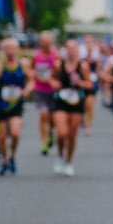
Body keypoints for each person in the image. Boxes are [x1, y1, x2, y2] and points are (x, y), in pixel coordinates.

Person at [0, 36, 30, 175]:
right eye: (7, 48)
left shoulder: (23, 64)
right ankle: (4, 161)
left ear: (17, 49)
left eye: (12, 48)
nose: (10, 51)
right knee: (2, 137)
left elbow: (31, 79)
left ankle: (12, 157)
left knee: (15, 134)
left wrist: (27, 90)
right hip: (2, 103)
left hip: (16, 103)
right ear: (4, 50)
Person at [49, 38, 91, 176]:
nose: (72, 51)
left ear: (77, 50)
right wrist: (54, 83)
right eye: (69, 48)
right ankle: (60, 156)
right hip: (61, 100)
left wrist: (80, 82)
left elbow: (90, 84)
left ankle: (68, 162)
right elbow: (51, 78)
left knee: (72, 136)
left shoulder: (82, 66)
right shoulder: (58, 65)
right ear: (65, 50)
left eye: (74, 48)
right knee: (61, 133)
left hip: (76, 101)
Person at [28, 31, 59, 156]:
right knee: (43, 114)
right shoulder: (36, 55)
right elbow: (31, 69)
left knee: (52, 118)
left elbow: (60, 72)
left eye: (48, 42)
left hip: (53, 90)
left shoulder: (56, 55)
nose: (45, 44)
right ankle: (44, 142)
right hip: (40, 89)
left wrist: (54, 79)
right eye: (43, 42)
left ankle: (50, 132)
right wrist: (32, 76)